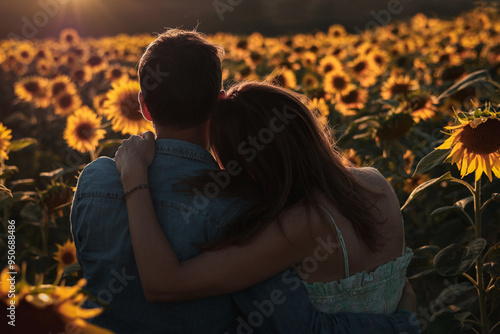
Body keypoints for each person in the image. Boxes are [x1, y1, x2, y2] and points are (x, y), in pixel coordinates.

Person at [71, 29, 419, 333]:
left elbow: (137, 282)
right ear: (217, 102)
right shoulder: (248, 209)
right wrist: (403, 322)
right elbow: (291, 325)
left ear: (143, 108)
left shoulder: (94, 180)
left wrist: (135, 179)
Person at [115, 80, 414, 314]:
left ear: (252, 165)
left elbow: (165, 283)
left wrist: (134, 177)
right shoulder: (376, 184)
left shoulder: (303, 224)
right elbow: (403, 294)